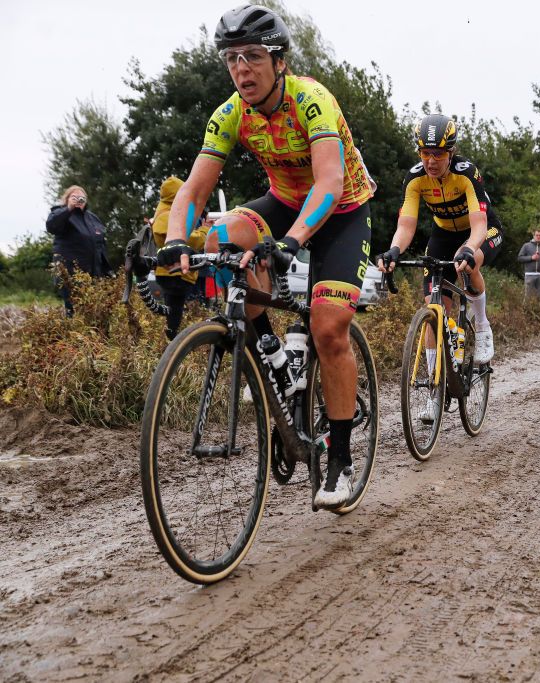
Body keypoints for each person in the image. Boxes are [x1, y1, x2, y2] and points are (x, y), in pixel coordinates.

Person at [157, 5, 373, 509]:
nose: (241, 70)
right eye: (231, 59)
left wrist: (293, 241)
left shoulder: (310, 99)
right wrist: (172, 243)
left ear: (279, 62)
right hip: (283, 201)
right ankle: (274, 356)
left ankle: (339, 459)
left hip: (341, 209)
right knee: (220, 240)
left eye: (253, 56)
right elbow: (192, 191)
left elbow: (330, 182)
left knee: (328, 328)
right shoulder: (230, 113)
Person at [377, 114, 503, 375]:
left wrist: (469, 248)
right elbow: (406, 225)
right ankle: (436, 385)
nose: (431, 161)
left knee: (469, 261)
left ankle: (481, 326)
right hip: (443, 234)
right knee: (434, 313)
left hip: (481, 230)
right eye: (424, 153)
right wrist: (394, 250)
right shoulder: (414, 178)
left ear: (451, 152)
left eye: (438, 154)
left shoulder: (466, 173)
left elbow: (479, 224)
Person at [150, 176, 212, 340]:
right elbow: (191, 239)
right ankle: (173, 343)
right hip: (174, 273)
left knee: (184, 310)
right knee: (177, 313)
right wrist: (206, 231)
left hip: (180, 273)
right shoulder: (167, 216)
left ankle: (179, 342)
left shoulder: (168, 213)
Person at [45, 185, 113, 316]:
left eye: (81, 198)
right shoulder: (60, 213)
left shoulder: (93, 219)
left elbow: (101, 246)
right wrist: (69, 208)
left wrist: (107, 271)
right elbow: (51, 226)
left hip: (94, 274)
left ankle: (91, 336)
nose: (78, 200)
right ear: (67, 199)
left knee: (94, 311)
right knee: (75, 311)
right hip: (71, 274)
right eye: (74, 197)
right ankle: (73, 335)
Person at [518, 229, 540, 301]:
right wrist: (531, 258)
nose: (538, 237)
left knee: (539, 297)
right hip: (529, 274)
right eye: (537, 235)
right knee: (528, 296)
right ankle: (526, 311)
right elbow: (520, 258)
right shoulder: (526, 246)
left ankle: (537, 311)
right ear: (534, 236)